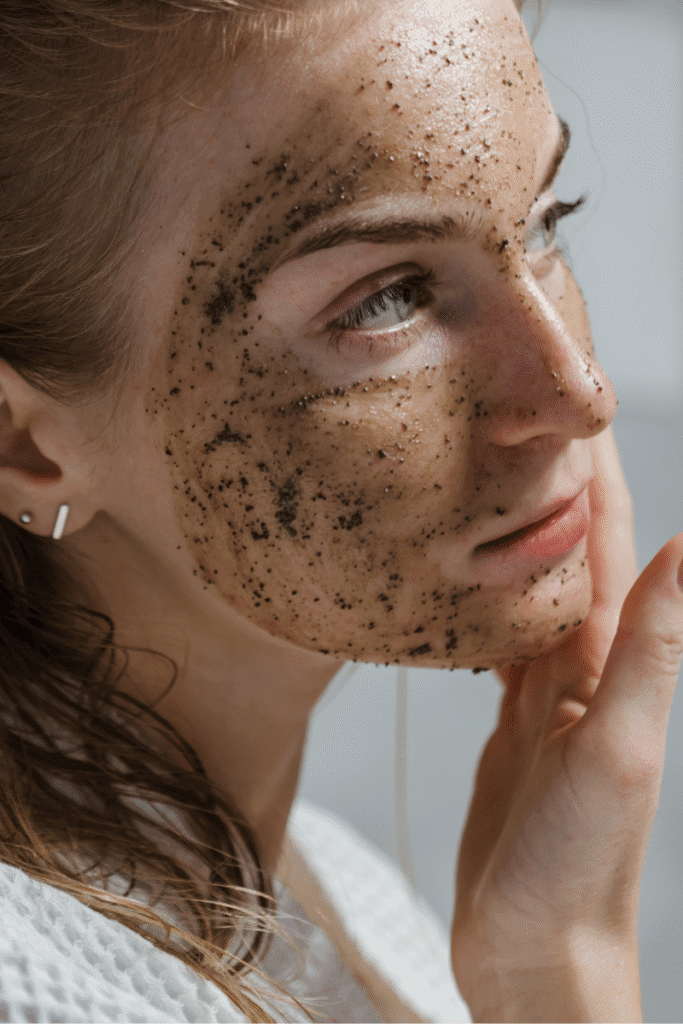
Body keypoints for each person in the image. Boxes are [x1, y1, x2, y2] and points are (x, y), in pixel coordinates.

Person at [1, 0, 682, 1020]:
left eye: (542, 222)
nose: (577, 390)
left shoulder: (332, 892)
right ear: (25, 446)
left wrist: (549, 965)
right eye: (384, 297)